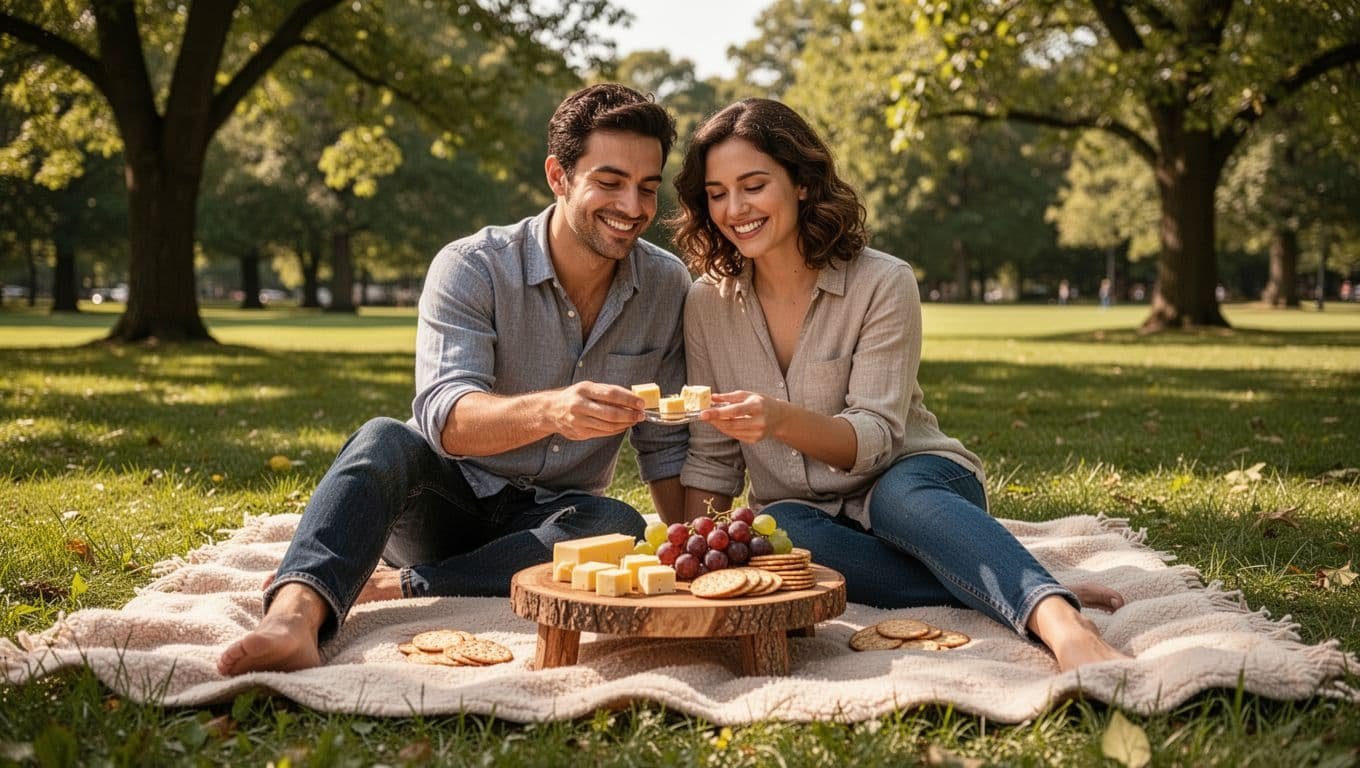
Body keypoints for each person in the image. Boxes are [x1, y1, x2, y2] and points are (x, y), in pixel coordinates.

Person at [218, 84, 691, 676]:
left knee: (619, 526)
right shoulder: (473, 266)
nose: (633, 205)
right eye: (610, 181)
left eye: (648, 187)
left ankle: (407, 586)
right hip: (442, 505)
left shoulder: (668, 285)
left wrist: (691, 553)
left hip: (547, 526)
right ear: (559, 176)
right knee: (384, 438)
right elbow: (446, 420)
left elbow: (666, 444)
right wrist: (553, 411)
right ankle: (292, 617)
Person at [670, 98, 1128, 672]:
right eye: (717, 193)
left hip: (916, 480)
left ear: (803, 184)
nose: (735, 209)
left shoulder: (883, 281)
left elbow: (877, 437)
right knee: (779, 530)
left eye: (754, 185)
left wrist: (779, 419)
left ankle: (1062, 624)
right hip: (812, 514)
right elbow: (712, 458)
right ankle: (1010, 583)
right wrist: (689, 563)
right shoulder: (706, 301)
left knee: (897, 500)